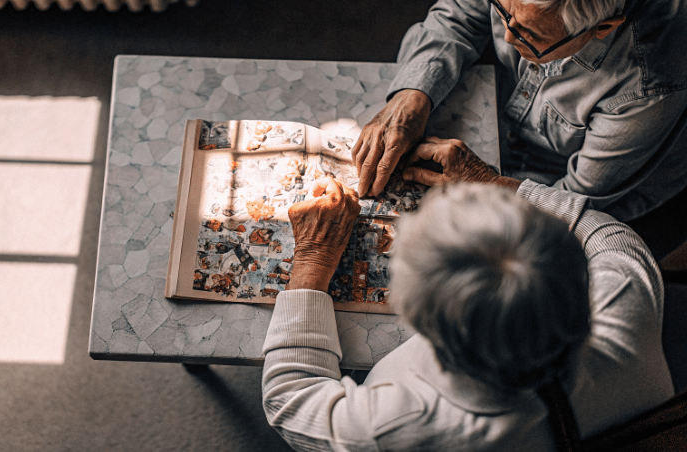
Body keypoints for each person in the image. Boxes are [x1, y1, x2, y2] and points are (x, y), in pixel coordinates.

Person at [261, 144, 674, 450]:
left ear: (418, 325)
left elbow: (292, 399)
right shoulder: (626, 301)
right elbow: (611, 235)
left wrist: (313, 260)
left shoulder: (398, 428)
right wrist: (500, 185)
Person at [351, 0, 687, 259]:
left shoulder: (649, 86)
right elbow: (458, 18)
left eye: (533, 35)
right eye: (503, 10)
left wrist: (491, 185)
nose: (509, 36)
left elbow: (574, 204)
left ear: (602, 28)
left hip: (598, 195)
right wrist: (412, 95)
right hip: (503, 123)